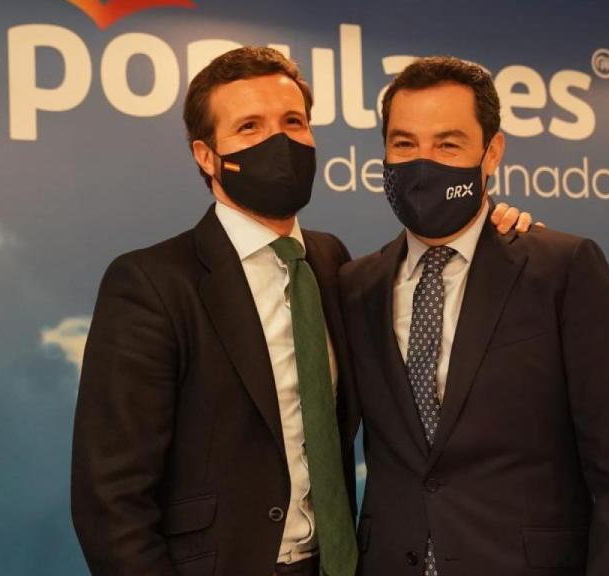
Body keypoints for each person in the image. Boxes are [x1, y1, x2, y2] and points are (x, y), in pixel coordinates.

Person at [70, 47, 531, 576]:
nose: (279, 141)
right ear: (206, 154)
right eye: (249, 127)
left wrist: (496, 230)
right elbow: (110, 499)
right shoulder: (151, 283)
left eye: (293, 121)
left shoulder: (334, 263)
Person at [340, 56, 609, 576]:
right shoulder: (356, 286)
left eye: (448, 144)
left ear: (492, 153)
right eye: (404, 144)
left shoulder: (561, 269)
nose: (423, 163)